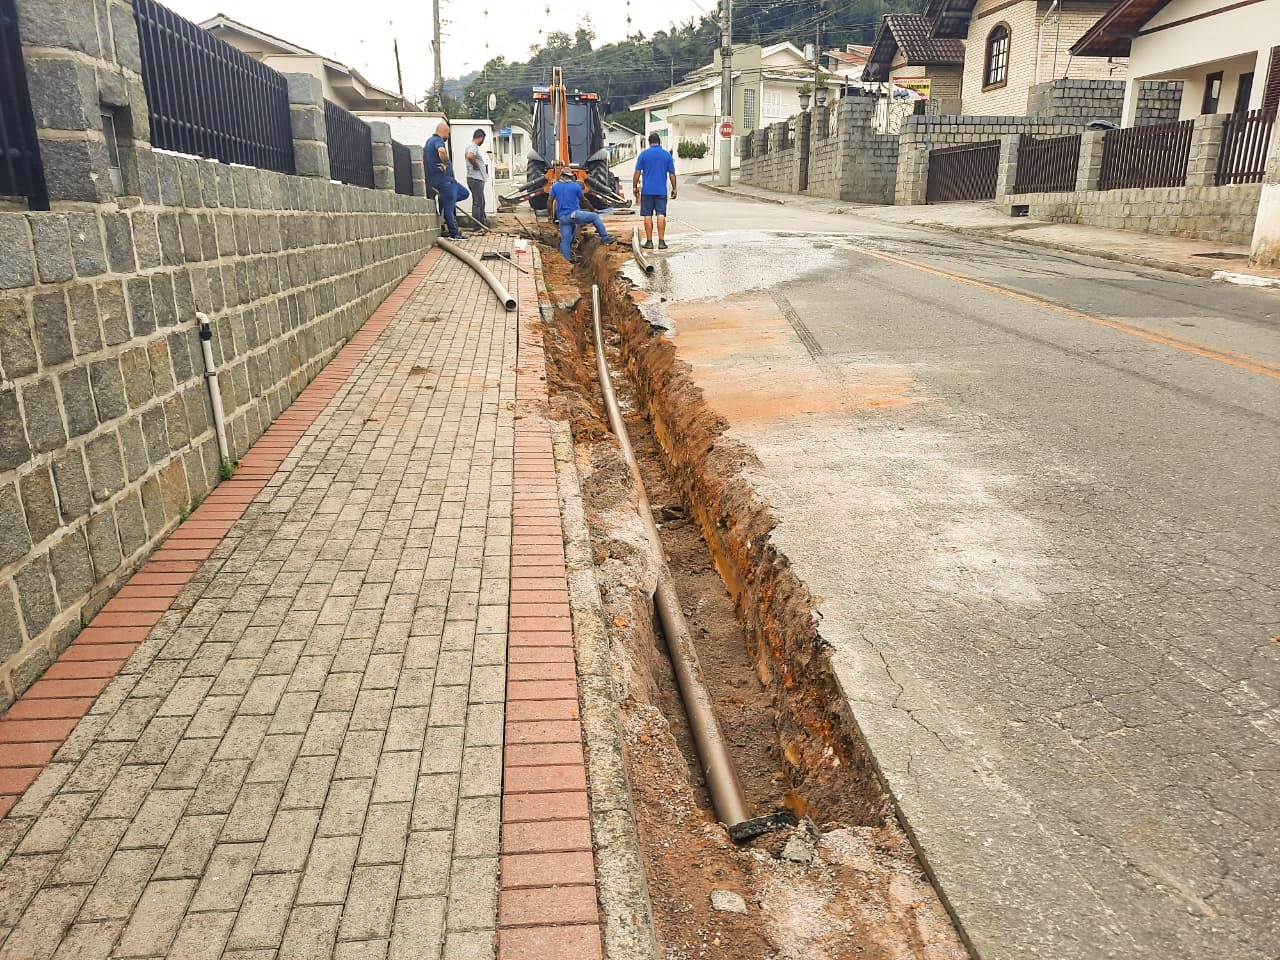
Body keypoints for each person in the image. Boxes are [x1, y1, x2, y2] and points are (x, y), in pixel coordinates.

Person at [548, 169, 614, 263]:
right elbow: (584, 200)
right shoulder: (575, 186)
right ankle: (605, 238)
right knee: (594, 217)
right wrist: (593, 209)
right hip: (574, 215)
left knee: (565, 239)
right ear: (571, 177)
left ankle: (567, 260)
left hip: (563, 218)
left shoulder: (555, 186)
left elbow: (549, 201)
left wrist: (550, 215)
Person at [424, 121, 469, 239]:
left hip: (448, 181)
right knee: (450, 206)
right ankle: (454, 234)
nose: (448, 137)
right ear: (444, 132)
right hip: (444, 181)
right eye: (448, 134)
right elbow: (442, 151)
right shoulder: (437, 141)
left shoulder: (429, 141)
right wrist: (444, 163)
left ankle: (443, 200)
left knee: (464, 193)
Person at [632, 132, 677, 250]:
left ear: (649, 142)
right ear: (659, 142)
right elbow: (672, 174)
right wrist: (674, 188)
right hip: (661, 191)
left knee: (647, 215)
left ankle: (649, 242)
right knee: (661, 215)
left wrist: (634, 187)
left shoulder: (644, 155)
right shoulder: (666, 155)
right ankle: (661, 242)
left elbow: (637, 173)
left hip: (647, 191)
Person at [464, 129, 489, 227]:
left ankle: (482, 223)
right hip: (476, 179)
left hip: (476, 179)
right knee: (477, 203)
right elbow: (470, 156)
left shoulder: (471, 147)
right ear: (481, 138)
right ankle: (477, 226)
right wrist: (475, 165)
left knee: (481, 202)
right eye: (483, 139)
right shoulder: (473, 147)